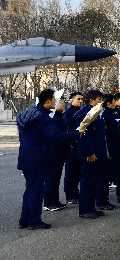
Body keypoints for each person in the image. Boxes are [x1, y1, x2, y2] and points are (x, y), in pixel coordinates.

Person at [17, 89, 83, 230]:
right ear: (47, 101)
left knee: (29, 189)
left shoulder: (26, 114)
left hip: (25, 157)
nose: (56, 102)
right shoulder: (43, 117)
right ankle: (34, 220)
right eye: (54, 100)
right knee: (37, 190)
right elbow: (56, 136)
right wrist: (77, 134)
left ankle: (25, 219)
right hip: (38, 158)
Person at [75, 90, 109, 219]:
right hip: (90, 154)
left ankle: (91, 208)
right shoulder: (87, 112)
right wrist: (90, 152)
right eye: (99, 99)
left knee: (93, 182)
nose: (101, 101)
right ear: (92, 101)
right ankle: (84, 210)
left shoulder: (97, 111)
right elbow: (84, 134)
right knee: (87, 182)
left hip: (98, 153)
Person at [42, 93, 71, 212]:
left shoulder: (60, 116)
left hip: (60, 151)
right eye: (59, 102)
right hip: (52, 152)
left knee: (56, 178)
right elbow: (56, 135)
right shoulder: (51, 117)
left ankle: (55, 200)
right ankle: (48, 202)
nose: (62, 104)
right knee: (51, 178)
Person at [62, 91, 85, 204]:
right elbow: (66, 127)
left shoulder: (82, 111)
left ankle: (76, 194)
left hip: (80, 144)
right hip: (71, 145)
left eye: (82, 99)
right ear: (72, 100)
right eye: (78, 99)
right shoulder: (68, 113)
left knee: (78, 172)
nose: (80, 101)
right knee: (71, 172)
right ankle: (70, 195)